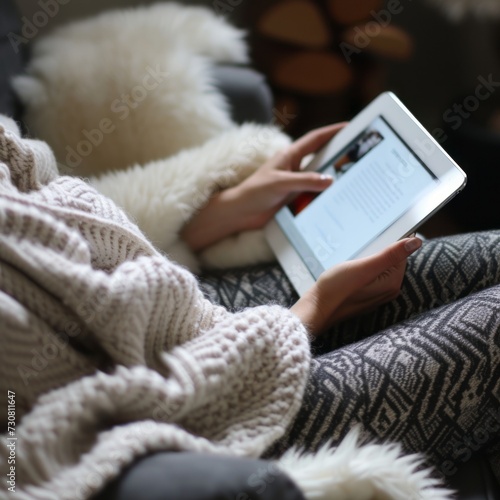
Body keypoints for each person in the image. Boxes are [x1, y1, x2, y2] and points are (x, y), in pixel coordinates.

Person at [1, 116, 499, 499]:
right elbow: (115, 401)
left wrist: (220, 215)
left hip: (188, 311)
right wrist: (312, 310)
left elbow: (63, 215)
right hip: (218, 408)